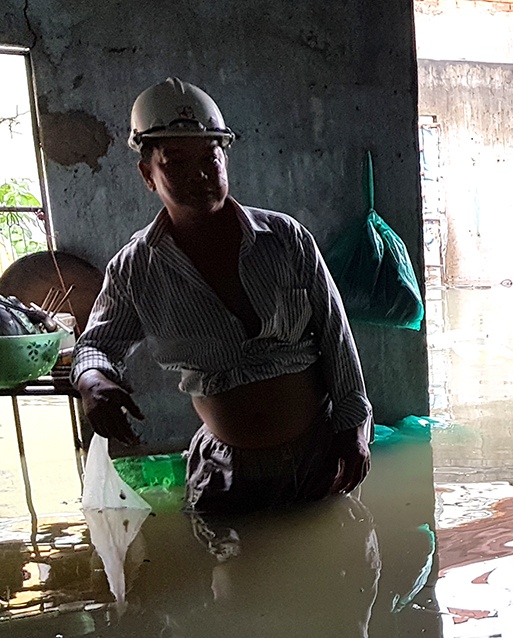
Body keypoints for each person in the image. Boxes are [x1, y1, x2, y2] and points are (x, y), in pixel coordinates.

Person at [71, 78, 371, 514]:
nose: (200, 174)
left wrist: (353, 429)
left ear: (225, 158)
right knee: (235, 574)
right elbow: (96, 345)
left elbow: (336, 336)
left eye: (211, 158)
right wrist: (93, 382)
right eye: (175, 162)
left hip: (319, 455)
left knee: (333, 568)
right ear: (147, 175)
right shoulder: (135, 268)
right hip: (226, 476)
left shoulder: (285, 238)